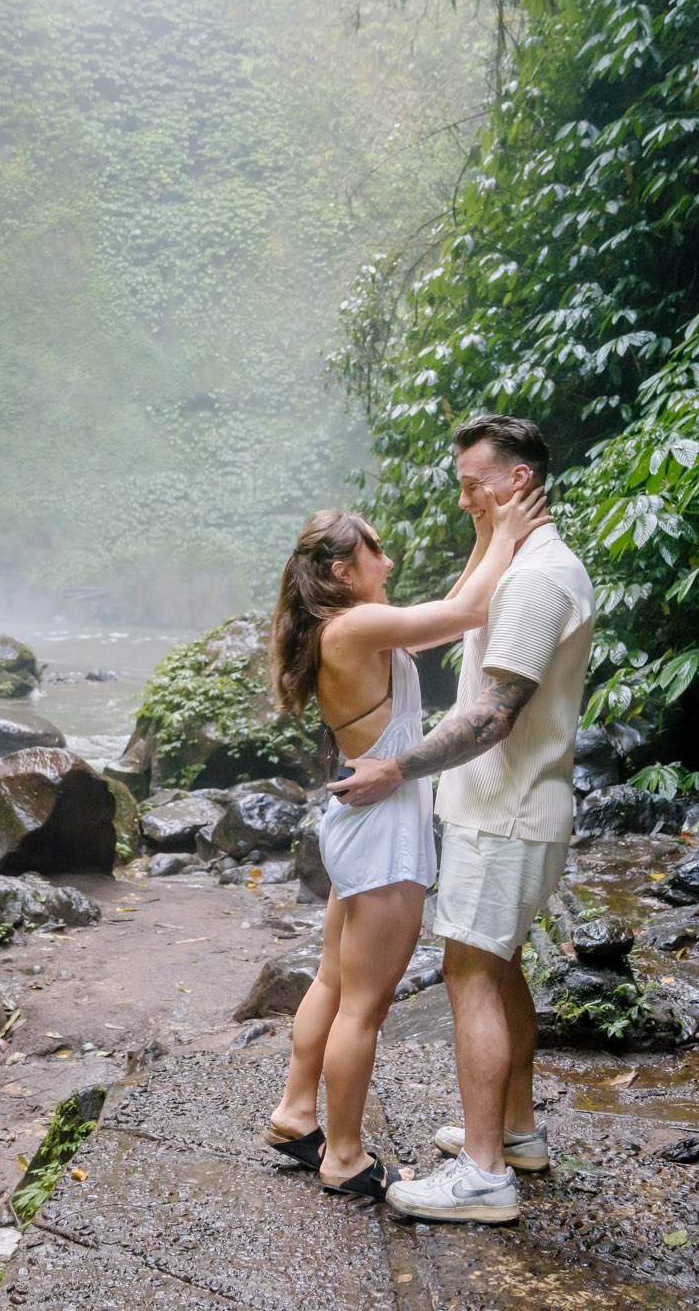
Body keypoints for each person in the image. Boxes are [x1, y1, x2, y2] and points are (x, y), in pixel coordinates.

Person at [330, 414, 594, 1225]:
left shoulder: (536, 579)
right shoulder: (533, 564)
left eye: (475, 483)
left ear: (520, 480)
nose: (464, 497)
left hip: (504, 812)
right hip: (514, 809)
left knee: (470, 974)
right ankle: (514, 1133)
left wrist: (395, 767)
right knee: (500, 965)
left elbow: (494, 714)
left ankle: (483, 1175)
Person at [261, 483, 550, 1202]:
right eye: (375, 551)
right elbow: (468, 612)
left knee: (333, 981)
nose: (387, 562)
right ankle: (345, 1155)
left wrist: (488, 534)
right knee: (365, 1002)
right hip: (382, 833)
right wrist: (510, 527)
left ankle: (298, 1113)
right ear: (342, 573)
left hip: (361, 825)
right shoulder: (352, 628)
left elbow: (438, 625)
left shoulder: (347, 627)